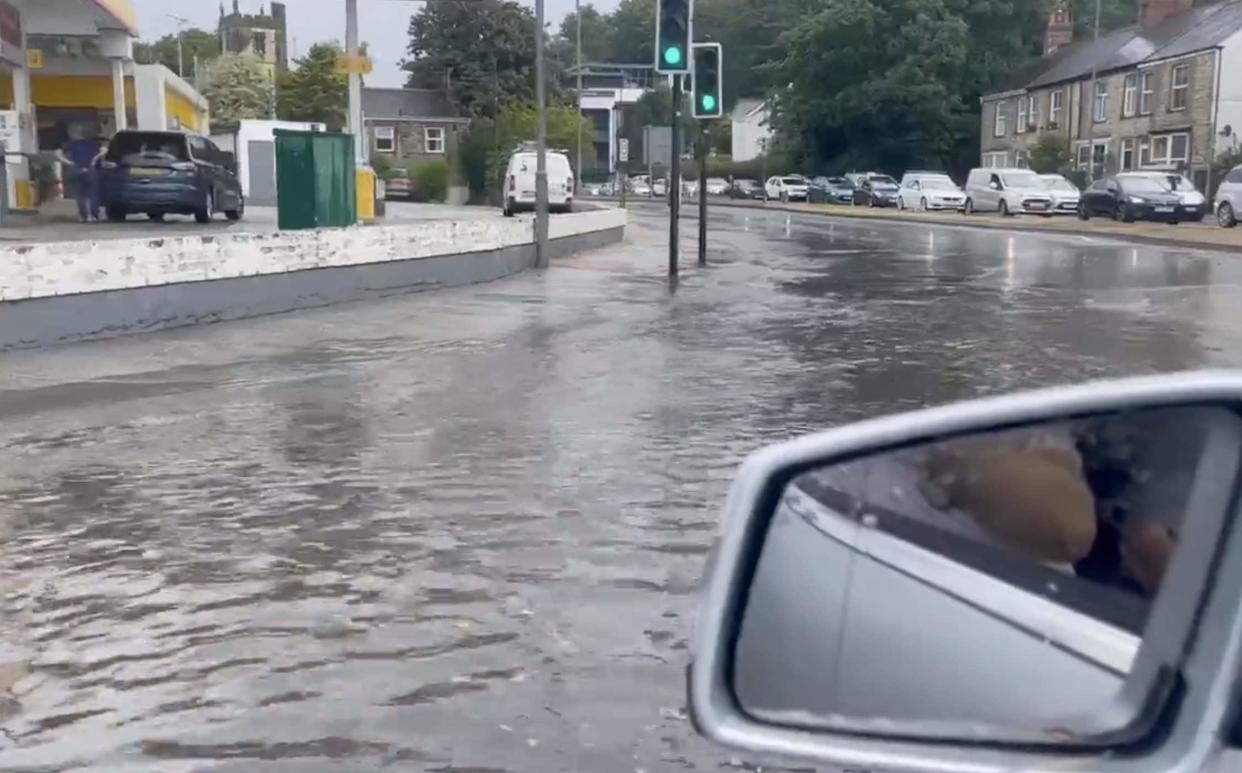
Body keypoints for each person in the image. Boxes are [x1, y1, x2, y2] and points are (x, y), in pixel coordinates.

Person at [57, 131, 103, 222]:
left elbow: (58, 154)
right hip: (90, 169)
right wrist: (94, 160)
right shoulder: (93, 143)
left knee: (80, 195)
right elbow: (105, 150)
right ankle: (94, 216)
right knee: (93, 193)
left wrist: (69, 163)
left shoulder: (70, 144)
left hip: (77, 169)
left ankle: (84, 216)